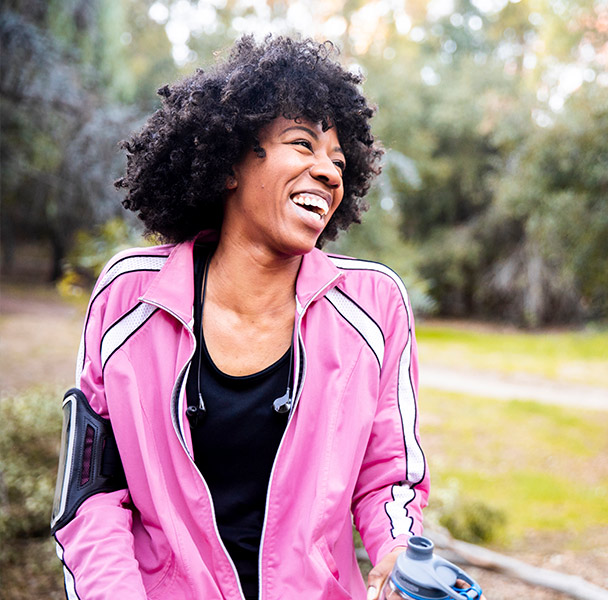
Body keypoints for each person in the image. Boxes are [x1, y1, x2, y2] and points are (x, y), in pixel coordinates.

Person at [50, 35, 429, 600]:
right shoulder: (129, 295)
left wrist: (399, 552)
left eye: (338, 159)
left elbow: (389, 477)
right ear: (229, 165)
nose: (328, 172)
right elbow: (92, 493)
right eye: (302, 144)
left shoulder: (375, 305)